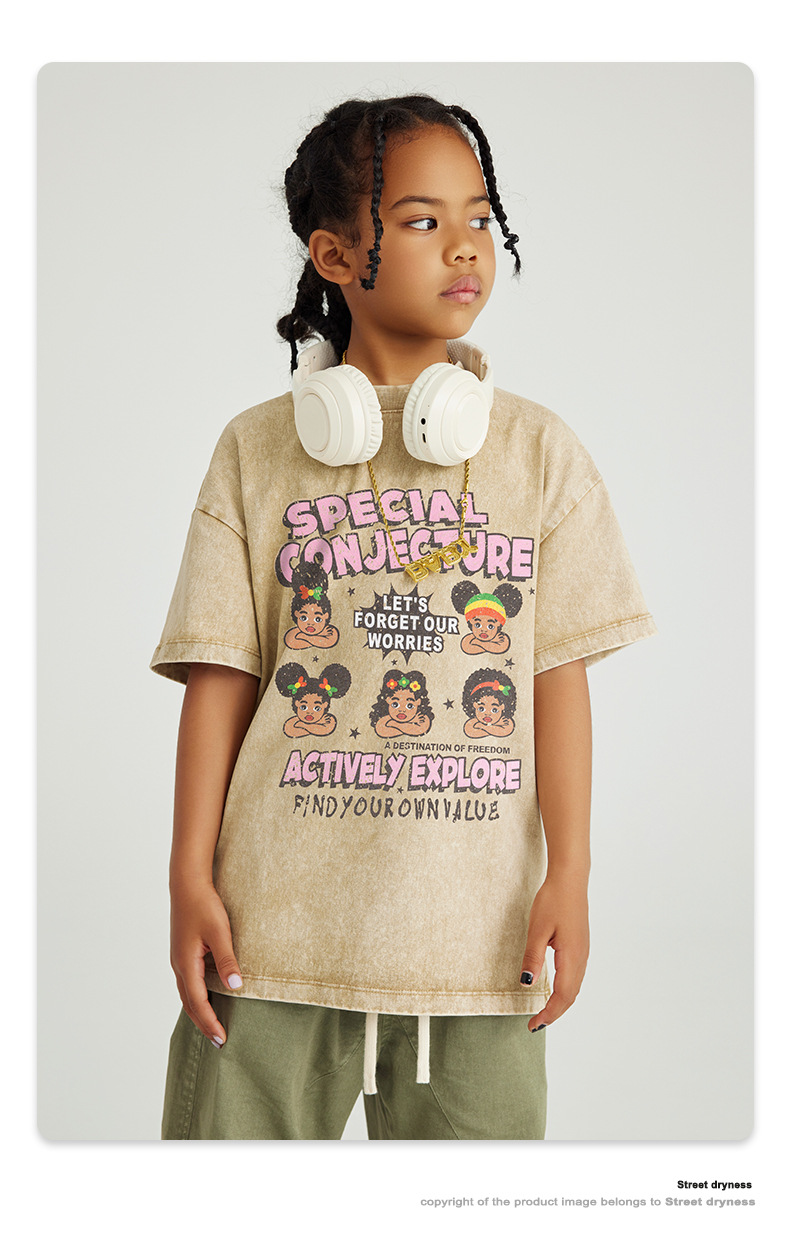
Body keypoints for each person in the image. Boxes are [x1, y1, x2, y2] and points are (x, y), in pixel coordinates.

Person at [151, 93, 657, 1141]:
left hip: (478, 948)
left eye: (479, 216)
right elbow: (220, 677)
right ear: (334, 254)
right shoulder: (256, 452)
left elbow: (555, 676)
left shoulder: (537, 453)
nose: (466, 246)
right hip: (268, 937)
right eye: (423, 219)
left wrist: (571, 872)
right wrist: (188, 875)